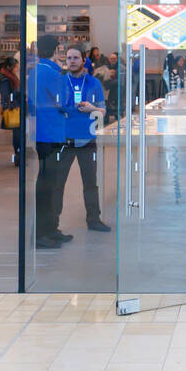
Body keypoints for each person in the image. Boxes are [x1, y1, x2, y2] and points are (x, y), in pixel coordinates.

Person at [62, 45, 110, 232]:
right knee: (58, 184)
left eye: (75, 58)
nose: (72, 61)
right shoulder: (60, 82)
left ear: (83, 60)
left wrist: (92, 109)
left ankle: (93, 219)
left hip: (87, 140)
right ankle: (52, 226)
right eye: (69, 58)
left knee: (90, 182)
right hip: (64, 141)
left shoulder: (94, 83)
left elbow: (103, 111)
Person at [33, 34, 73, 249]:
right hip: (52, 133)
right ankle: (43, 232)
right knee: (49, 185)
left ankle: (49, 229)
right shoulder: (52, 73)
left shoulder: (36, 71)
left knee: (47, 183)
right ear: (56, 50)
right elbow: (63, 102)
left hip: (41, 133)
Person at [0, 57, 22, 164]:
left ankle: (19, 156)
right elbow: (6, 96)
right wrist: (14, 103)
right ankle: (18, 156)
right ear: (10, 67)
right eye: (16, 67)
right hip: (13, 109)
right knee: (17, 134)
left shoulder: (10, 77)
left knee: (19, 133)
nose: (17, 69)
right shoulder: (5, 79)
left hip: (16, 107)